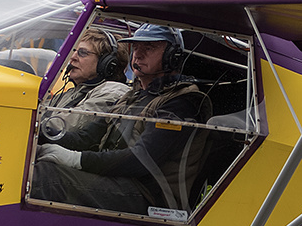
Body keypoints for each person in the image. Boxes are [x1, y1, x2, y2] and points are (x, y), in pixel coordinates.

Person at [31, 25, 212, 215]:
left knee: (46, 176)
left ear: (172, 56)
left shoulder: (181, 103)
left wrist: (76, 160)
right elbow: (87, 137)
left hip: (149, 196)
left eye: (149, 48)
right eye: (136, 47)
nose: (138, 54)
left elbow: (142, 159)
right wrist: (37, 135)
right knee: (35, 164)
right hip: (117, 181)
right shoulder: (133, 96)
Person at [38, 29, 130, 150]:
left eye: (82, 53)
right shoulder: (74, 91)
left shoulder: (113, 91)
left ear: (107, 63)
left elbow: (64, 125)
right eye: (73, 51)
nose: (73, 58)